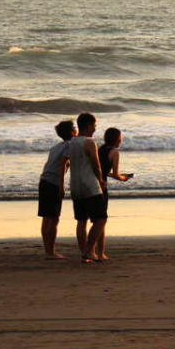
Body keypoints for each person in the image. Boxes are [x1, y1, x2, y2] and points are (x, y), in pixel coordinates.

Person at [67, 112, 106, 263]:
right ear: (88, 125)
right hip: (89, 185)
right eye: (94, 125)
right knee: (101, 219)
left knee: (81, 220)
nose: (95, 128)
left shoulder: (72, 142)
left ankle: (84, 252)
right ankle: (90, 250)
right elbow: (96, 165)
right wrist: (101, 180)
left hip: (75, 185)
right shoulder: (89, 142)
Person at [38, 120, 76, 259]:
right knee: (53, 218)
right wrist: (61, 185)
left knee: (46, 217)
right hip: (53, 182)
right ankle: (50, 251)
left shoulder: (55, 147)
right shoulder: (70, 145)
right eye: (74, 128)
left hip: (44, 181)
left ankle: (47, 249)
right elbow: (63, 165)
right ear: (72, 132)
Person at [95, 127, 133, 261]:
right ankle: (99, 253)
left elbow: (101, 170)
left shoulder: (99, 149)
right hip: (102, 187)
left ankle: (94, 252)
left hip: (92, 184)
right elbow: (116, 175)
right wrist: (124, 178)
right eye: (120, 137)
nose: (121, 140)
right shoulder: (115, 152)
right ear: (117, 139)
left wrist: (115, 175)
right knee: (101, 220)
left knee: (95, 220)